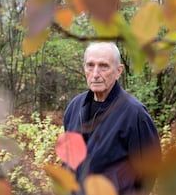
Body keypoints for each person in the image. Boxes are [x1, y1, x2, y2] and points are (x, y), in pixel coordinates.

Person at [63, 42, 161, 195]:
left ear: (118, 71)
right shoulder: (74, 108)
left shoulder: (135, 114)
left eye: (104, 66)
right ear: (84, 68)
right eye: (90, 65)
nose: (95, 74)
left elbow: (148, 174)